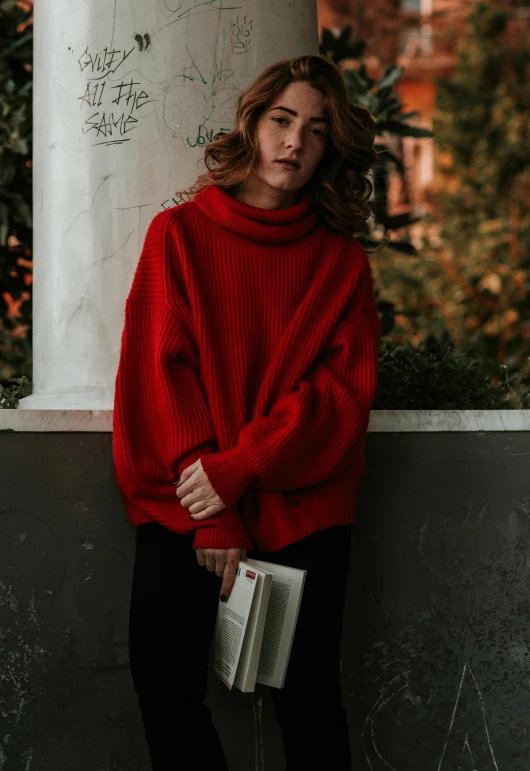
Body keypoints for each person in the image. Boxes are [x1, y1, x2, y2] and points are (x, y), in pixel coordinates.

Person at [112, 53, 382, 771]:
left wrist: (242, 467)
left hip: (302, 505)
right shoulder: (178, 236)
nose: (294, 143)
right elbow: (158, 377)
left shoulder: (341, 264)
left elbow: (340, 395)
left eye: (316, 131)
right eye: (282, 120)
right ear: (252, 123)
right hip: (189, 502)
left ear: (331, 149)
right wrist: (216, 507)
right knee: (166, 690)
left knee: (310, 700)